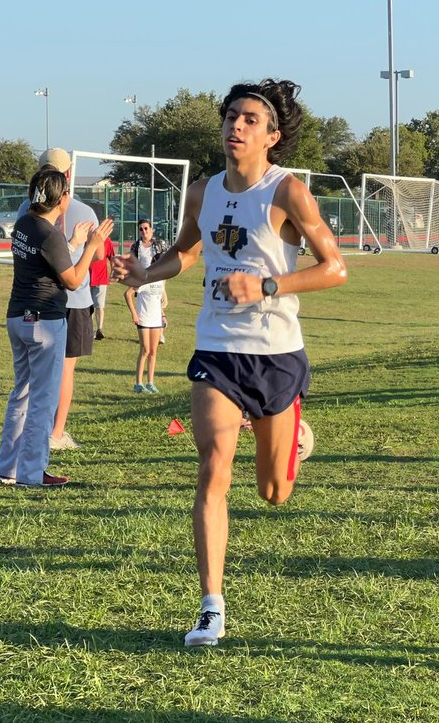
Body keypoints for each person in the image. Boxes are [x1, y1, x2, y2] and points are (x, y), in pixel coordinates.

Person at [114, 78, 347, 647]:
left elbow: (335, 267)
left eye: (248, 120)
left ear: (271, 136)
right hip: (216, 350)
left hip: (276, 353)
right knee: (214, 467)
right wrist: (147, 273)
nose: (235, 127)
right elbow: (188, 251)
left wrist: (267, 283)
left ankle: (292, 435)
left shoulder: (287, 192)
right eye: (230, 117)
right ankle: (210, 607)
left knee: (273, 492)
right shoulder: (203, 191)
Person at [0, 169, 113, 488]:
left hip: (18, 317)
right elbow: (72, 281)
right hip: (44, 321)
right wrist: (90, 245)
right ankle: (32, 473)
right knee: (43, 400)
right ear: (62, 199)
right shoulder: (49, 233)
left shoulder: (24, 224)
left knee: (22, 394)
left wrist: (72, 243)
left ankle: (6, 468)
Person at [21, 148, 103, 452]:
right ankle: (55, 433)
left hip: (34, 300)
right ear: (67, 175)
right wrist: (87, 246)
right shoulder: (85, 211)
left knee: (33, 369)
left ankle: (30, 429)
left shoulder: (23, 211)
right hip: (73, 300)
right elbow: (95, 259)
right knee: (66, 369)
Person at [124, 219, 169, 393]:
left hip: (156, 314)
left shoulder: (158, 247)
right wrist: (134, 314)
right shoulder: (137, 249)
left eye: (146, 229)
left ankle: (151, 382)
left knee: (154, 351)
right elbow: (128, 292)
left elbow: (160, 294)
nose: (144, 232)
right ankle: (138, 383)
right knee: (145, 350)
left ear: (152, 230)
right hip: (143, 311)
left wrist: (163, 313)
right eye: (141, 229)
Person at [90, 233, 117, 340]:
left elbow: (112, 258)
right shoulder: (88, 239)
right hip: (87, 278)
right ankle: (90, 329)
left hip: (101, 278)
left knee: (100, 305)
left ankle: (99, 329)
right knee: (88, 306)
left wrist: (113, 272)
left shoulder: (107, 241)